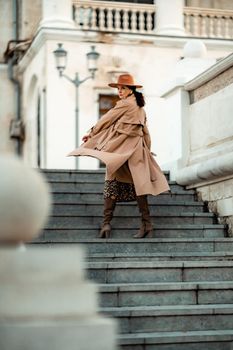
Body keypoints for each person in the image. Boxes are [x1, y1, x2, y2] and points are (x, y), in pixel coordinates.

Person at [68, 73, 170, 239]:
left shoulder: (125, 104)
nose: (120, 91)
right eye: (119, 88)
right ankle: (147, 224)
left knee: (112, 181)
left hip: (121, 150)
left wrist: (91, 133)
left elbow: (107, 118)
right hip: (136, 150)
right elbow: (146, 132)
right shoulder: (141, 108)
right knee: (139, 185)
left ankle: (106, 224)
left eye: (123, 88)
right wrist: (147, 150)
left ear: (131, 90)